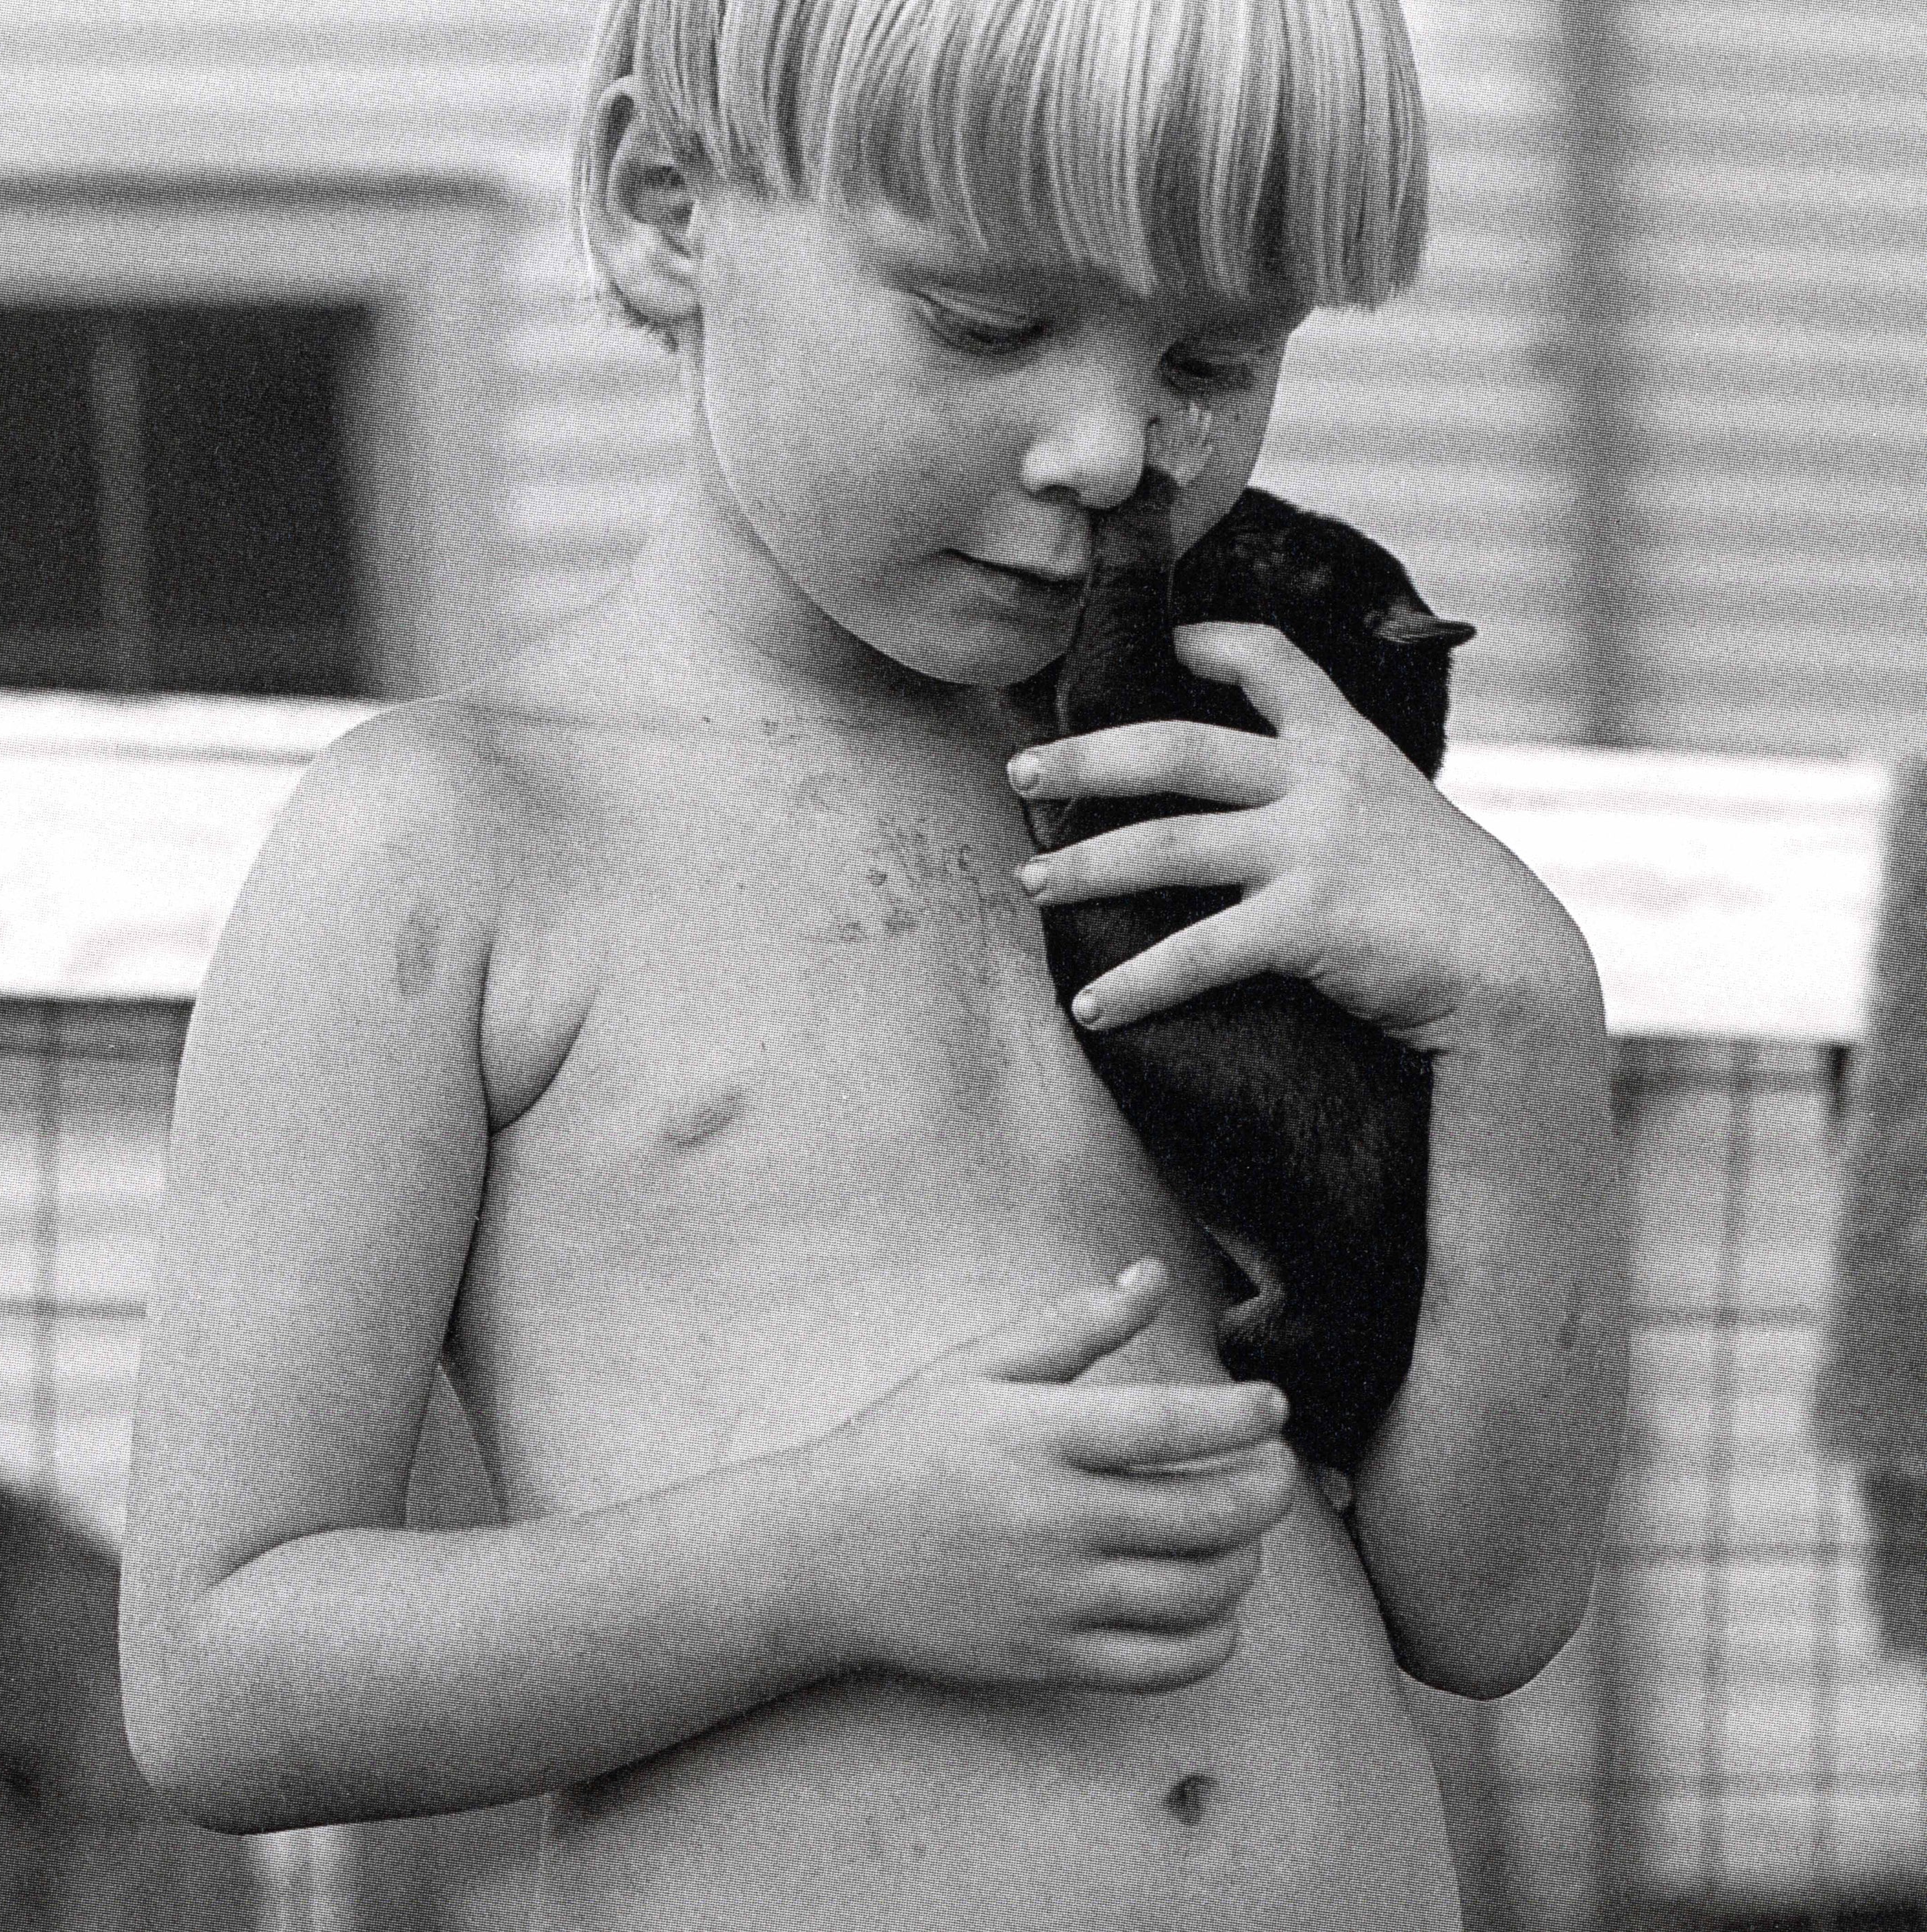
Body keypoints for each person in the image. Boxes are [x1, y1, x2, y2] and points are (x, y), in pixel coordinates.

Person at [119, 0, 1626, 1924]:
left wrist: (1523, 1012)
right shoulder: (457, 838)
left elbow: (1485, 1602)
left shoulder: (1229, 806)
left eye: (1211, 359)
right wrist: (831, 1554)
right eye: (988, 324)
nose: (1108, 448)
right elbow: (220, 1680)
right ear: (667, 203)